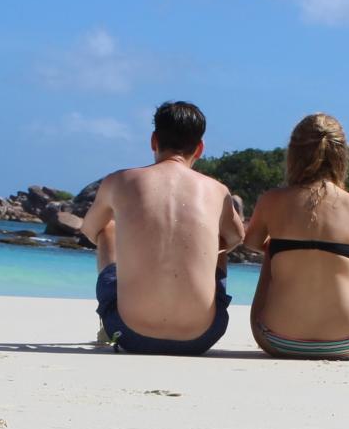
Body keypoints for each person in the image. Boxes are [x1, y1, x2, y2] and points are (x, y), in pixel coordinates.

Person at [81, 101, 244, 355]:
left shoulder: (119, 181)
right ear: (199, 149)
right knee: (221, 238)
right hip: (202, 336)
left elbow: (90, 230)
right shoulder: (216, 190)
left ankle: (111, 319)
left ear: (153, 140)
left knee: (107, 229)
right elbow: (236, 237)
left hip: (128, 332)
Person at [243, 113, 349, 359]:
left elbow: (252, 243)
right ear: (342, 155)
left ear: (293, 155)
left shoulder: (272, 200)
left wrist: (281, 244)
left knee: (273, 249)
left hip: (276, 338)